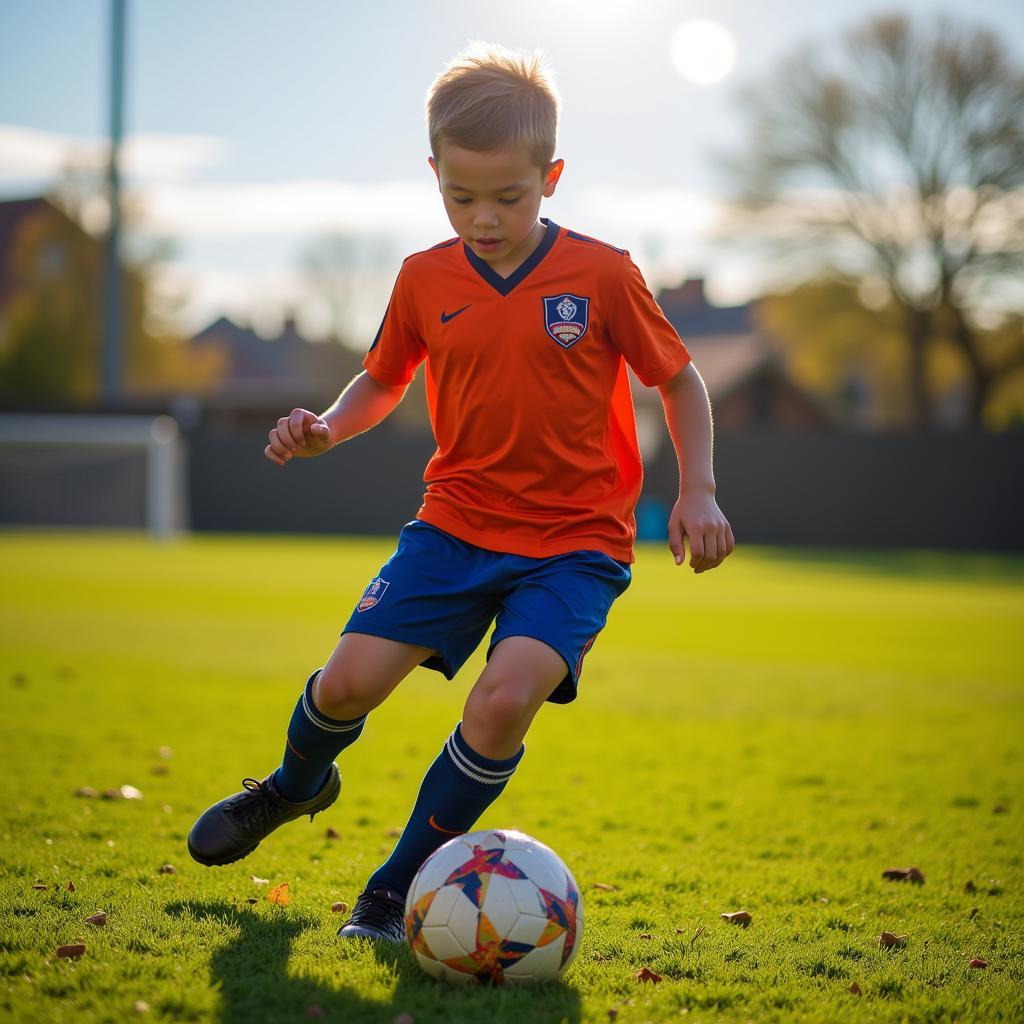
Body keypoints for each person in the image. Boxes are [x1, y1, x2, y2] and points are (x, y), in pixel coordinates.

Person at [187, 42, 734, 942]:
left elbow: (678, 381)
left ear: (551, 176)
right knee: (346, 687)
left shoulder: (602, 274)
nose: (484, 219)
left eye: (508, 198)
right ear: (434, 172)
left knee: (504, 698)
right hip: (455, 526)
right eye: (461, 197)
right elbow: (382, 380)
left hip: (576, 543)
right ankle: (293, 786)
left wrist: (699, 490)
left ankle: (395, 888)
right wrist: (328, 424)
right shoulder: (422, 277)